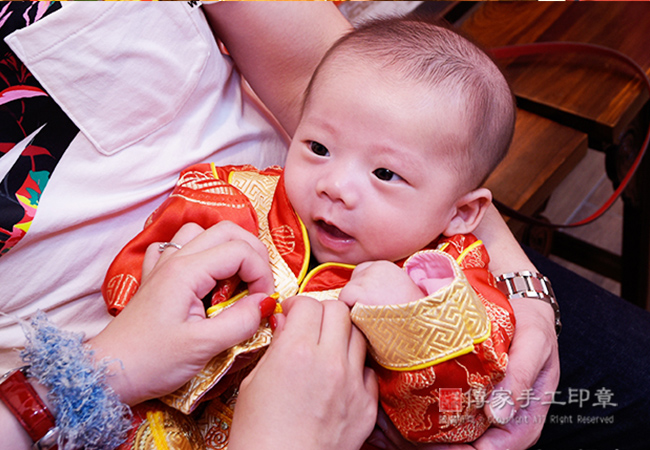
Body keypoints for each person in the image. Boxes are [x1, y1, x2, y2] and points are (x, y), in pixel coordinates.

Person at [103, 18, 517, 445]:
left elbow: (464, 414)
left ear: (462, 212)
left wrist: (410, 324)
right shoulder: (237, 199)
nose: (334, 186)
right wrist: (171, 267)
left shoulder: (456, 289)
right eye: (319, 148)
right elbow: (135, 288)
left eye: (385, 173)